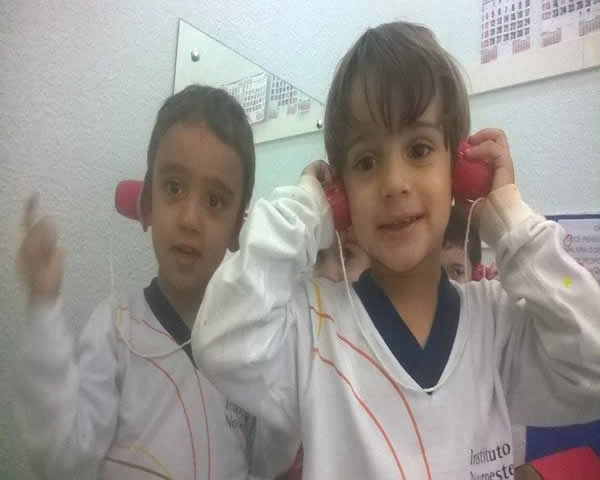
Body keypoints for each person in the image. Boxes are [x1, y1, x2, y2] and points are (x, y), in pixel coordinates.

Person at [191, 22, 600, 479]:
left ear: (458, 170)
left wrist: (510, 220)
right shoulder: (313, 331)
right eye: (367, 161)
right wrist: (306, 208)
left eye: (419, 149)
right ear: (341, 195)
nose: (394, 183)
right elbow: (220, 341)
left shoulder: (496, 327)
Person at [14, 85, 277, 479]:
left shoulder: (251, 346)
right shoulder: (117, 330)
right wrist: (43, 308)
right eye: (174, 188)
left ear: (238, 228)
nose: (189, 219)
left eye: (215, 201)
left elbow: (267, 463)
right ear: (147, 204)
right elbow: (60, 458)